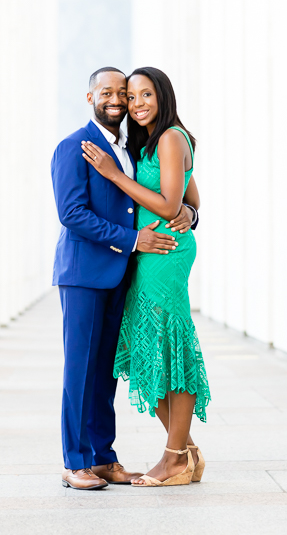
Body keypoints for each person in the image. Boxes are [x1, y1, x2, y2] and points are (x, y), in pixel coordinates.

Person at [50, 67, 197, 490]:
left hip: (124, 272)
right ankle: (74, 461)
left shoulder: (133, 146)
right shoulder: (73, 147)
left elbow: (177, 192)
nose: (120, 101)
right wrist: (133, 240)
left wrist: (190, 213)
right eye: (109, 93)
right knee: (80, 369)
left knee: (106, 372)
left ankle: (102, 457)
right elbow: (72, 214)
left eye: (126, 93)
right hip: (84, 273)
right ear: (90, 96)